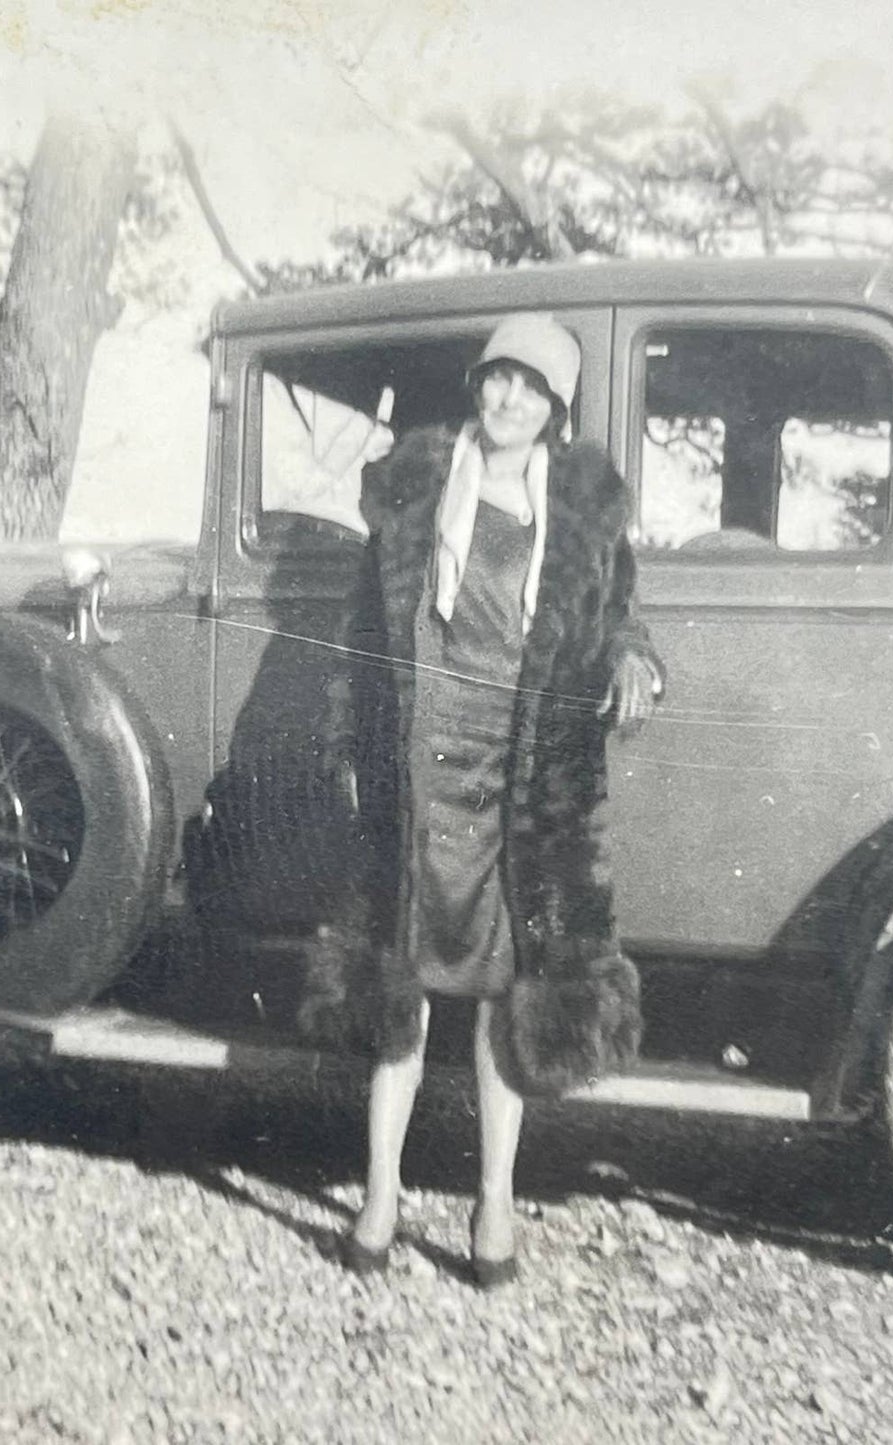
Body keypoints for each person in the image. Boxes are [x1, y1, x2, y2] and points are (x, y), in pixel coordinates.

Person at [300, 313, 663, 1288]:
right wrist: (346, 739)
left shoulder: (581, 513)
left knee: (508, 997)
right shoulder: (414, 489)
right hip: (419, 770)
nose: (506, 399)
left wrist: (632, 658)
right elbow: (356, 636)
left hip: (518, 778)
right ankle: (379, 1193)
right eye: (495, 379)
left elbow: (617, 614)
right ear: (477, 386)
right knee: (398, 987)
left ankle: (492, 1201)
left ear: (553, 409)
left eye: (528, 387)